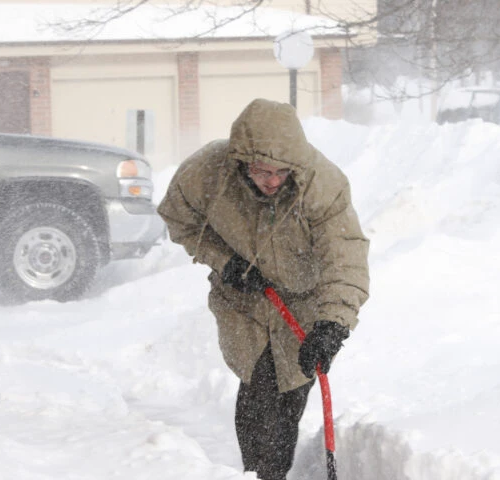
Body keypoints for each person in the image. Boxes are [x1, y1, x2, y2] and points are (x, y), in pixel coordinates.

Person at [157, 99, 370, 480]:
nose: (272, 181)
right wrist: (226, 263)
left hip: (303, 302)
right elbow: (179, 221)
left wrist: (333, 324)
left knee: (291, 389)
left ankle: (272, 470)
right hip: (245, 300)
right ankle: (260, 473)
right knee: (260, 385)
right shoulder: (205, 173)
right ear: (241, 161)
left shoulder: (322, 185)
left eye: (282, 172)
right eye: (261, 171)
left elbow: (346, 257)